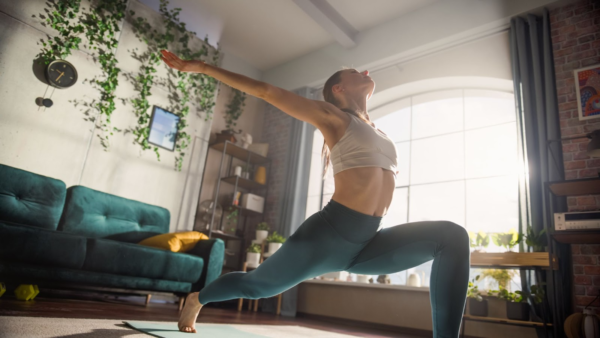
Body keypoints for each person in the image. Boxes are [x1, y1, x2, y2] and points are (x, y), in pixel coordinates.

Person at [160, 49, 470, 337]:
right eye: (353, 72)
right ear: (338, 89)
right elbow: (266, 91)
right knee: (256, 287)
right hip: (327, 236)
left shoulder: (378, 130)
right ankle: (198, 298)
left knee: (452, 237)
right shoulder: (332, 117)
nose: (363, 71)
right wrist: (201, 67)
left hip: (368, 241)